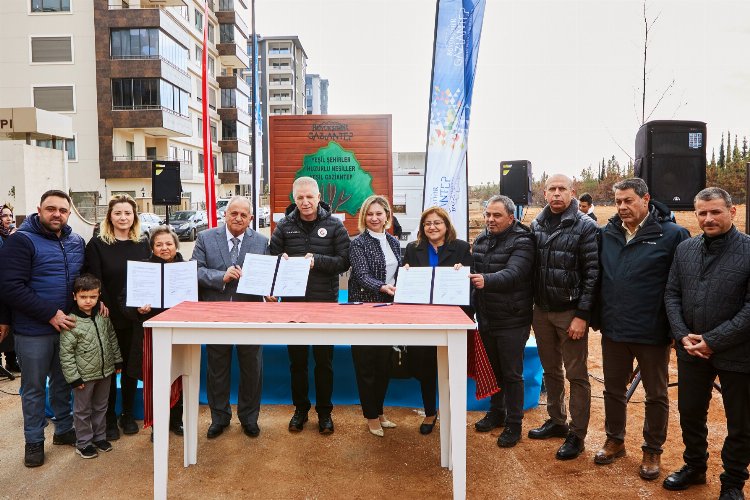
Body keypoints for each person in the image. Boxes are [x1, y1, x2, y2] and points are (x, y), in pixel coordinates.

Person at [593, 178, 689, 480]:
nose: (622, 207)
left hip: (653, 331)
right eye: (618, 201)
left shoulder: (672, 235)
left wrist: (676, 328)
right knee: (612, 389)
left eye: (628, 201)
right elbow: (597, 278)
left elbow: (681, 286)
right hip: (615, 329)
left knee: (656, 394)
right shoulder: (606, 234)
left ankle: (652, 450)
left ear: (645, 199)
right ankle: (615, 439)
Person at [663, 187, 750, 500]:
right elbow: (672, 293)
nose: (709, 218)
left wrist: (713, 340)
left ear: (732, 212)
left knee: (740, 421)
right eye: (702, 212)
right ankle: (695, 466)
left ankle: (733, 482)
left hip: (738, 353)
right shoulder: (685, 249)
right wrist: (681, 333)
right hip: (691, 350)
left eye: (715, 211)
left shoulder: (749, 250)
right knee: (690, 413)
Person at [0, 190, 86, 467]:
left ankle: (63, 429)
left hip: (67, 328)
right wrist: (49, 314)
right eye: (51, 209)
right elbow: (10, 288)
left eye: (62, 209)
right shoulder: (21, 241)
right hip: (32, 330)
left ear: (69, 213)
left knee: (63, 382)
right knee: (34, 388)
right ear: (39, 209)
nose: (56, 214)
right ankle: (34, 441)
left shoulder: (76, 241)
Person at [269, 177, 350, 434]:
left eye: (309, 197)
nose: (305, 202)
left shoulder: (334, 226)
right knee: (298, 362)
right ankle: (300, 410)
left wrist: (318, 260)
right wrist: (279, 259)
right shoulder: (283, 227)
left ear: (318, 197)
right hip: (293, 304)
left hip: (324, 303)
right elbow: (271, 258)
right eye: (300, 197)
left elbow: (344, 261)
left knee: (324, 361)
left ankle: (325, 413)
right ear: (294, 199)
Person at [528, 174, 598, 460]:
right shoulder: (536, 225)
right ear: (544, 193)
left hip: (570, 313)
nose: (557, 194)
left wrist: (582, 315)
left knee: (577, 375)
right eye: (552, 189)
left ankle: (577, 434)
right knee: (551, 370)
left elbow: (593, 275)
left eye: (562, 189)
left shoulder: (586, 227)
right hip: (541, 312)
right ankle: (557, 420)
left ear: (572, 192)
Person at [193, 197, 269, 439]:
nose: (238, 218)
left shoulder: (261, 241)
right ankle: (219, 417)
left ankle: (249, 418)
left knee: (251, 368)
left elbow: (268, 274)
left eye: (243, 215)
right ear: (225, 214)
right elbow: (194, 270)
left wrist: (272, 290)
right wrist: (220, 277)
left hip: (250, 314)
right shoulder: (205, 238)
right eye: (233, 213)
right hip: (217, 313)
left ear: (250, 218)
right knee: (217, 368)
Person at [469, 195, 535, 448]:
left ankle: (514, 424)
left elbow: (515, 272)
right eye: (487, 214)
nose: (490, 219)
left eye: (496, 215)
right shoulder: (482, 239)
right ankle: (497, 413)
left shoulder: (523, 240)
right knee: (492, 370)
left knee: (512, 373)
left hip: (512, 319)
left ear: (511, 217)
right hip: (486, 318)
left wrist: (487, 280)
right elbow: (473, 275)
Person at [84, 194, 150, 440]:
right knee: (110, 370)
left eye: (128, 213)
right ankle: (109, 417)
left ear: (134, 217)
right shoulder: (98, 244)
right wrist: (105, 306)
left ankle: (128, 414)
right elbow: (95, 279)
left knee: (132, 367)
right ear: (109, 216)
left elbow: (149, 276)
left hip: (136, 316)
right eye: (118, 213)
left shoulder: (143, 243)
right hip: (108, 316)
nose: (123, 217)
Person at [402, 206, 472, 435]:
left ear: (446, 225)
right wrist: (406, 273)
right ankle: (430, 412)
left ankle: (453, 412)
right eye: (427, 223)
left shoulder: (461, 248)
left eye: (437, 223)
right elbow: (402, 279)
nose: (432, 227)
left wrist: (463, 273)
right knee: (426, 367)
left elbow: (471, 282)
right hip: (422, 317)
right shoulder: (413, 249)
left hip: (451, 316)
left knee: (452, 367)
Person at [348, 195, 401, 437]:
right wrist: (383, 287)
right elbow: (361, 275)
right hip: (364, 309)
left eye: (379, 213)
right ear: (363, 217)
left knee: (383, 364)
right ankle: (370, 416)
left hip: (389, 311)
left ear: (387, 216)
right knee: (366, 364)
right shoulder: (358, 243)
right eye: (370, 214)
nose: (374, 218)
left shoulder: (394, 241)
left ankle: (379, 411)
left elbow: (399, 273)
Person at [59, 274, 123, 459]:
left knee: (101, 406)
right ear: (74, 296)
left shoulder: (103, 316)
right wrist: (73, 378)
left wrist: (117, 360)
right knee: (82, 410)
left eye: (93, 297)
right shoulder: (71, 322)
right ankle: (84, 442)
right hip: (83, 377)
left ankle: (99, 436)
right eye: (83, 297)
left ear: (98, 296)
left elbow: (111, 338)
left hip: (105, 372)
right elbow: (66, 354)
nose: (88, 301)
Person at [0, 203, 20, 373]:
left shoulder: (13, 235)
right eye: (4, 216)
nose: (9, 219)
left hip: (9, 287)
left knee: (11, 325)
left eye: (10, 216)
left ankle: (11, 361)